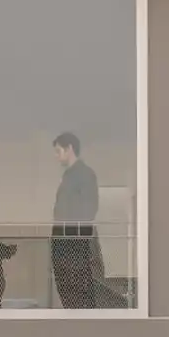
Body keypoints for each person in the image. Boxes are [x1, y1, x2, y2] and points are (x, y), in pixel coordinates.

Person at [50, 130, 99, 308]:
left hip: (74, 245)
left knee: (77, 293)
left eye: (58, 151)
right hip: (64, 244)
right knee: (67, 291)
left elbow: (89, 210)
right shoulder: (69, 176)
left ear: (69, 148)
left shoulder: (84, 175)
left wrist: (70, 233)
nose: (57, 156)